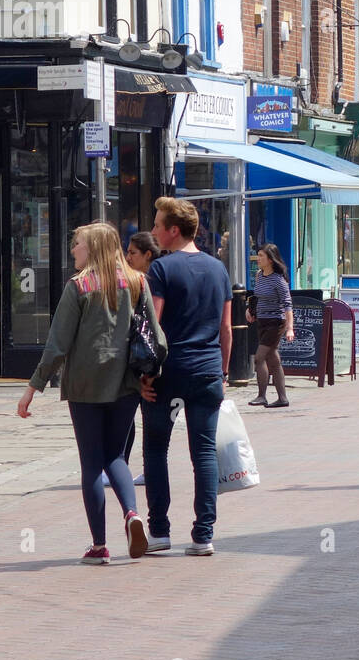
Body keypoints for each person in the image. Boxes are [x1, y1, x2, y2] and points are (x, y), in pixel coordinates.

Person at [18, 222, 164, 565]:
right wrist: (149, 376)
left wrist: (33, 387)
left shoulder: (79, 286)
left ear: (94, 247)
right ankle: (131, 514)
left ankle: (99, 546)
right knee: (116, 455)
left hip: (85, 385)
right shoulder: (137, 281)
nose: (73, 250)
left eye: (77, 243)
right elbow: (156, 338)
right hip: (125, 383)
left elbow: (57, 344)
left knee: (90, 463)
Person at [142, 196, 233, 556]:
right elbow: (227, 328)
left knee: (155, 448)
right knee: (204, 451)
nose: (152, 230)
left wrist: (145, 374)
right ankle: (203, 534)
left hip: (169, 371)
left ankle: (160, 531)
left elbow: (153, 325)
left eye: (157, 224)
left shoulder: (162, 270)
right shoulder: (218, 269)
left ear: (172, 230)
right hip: (207, 368)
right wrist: (223, 370)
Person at [121, 230, 160, 483]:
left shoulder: (149, 281)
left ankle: (131, 467)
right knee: (133, 414)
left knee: (141, 413)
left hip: (147, 358)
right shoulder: (136, 279)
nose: (128, 257)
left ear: (147, 255)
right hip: (143, 356)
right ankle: (123, 465)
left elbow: (153, 322)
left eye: (132, 253)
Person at [246, 243, 295, 407]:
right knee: (273, 359)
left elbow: (288, 305)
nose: (257, 258)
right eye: (258, 255)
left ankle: (261, 396)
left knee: (259, 358)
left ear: (271, 260)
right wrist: (250, 310)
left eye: (261, 256)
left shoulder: (278, 280)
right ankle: (282, 398)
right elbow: (257, 297)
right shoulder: (260, 275)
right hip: (262, 320)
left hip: (276, 322)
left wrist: (290, 328)